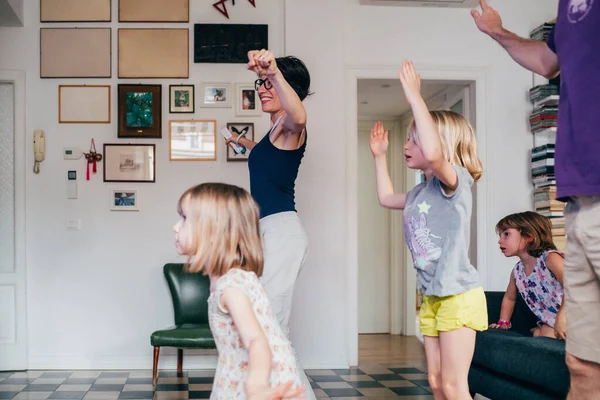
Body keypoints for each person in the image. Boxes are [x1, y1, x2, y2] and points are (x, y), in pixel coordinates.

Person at [471, 1, 600, 397]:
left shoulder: (549, 260)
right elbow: (547, 61)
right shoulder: (570, 8)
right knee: (582, 365)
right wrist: (496, 30)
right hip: (578, 198)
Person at [370, 60, 487, 399]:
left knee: (453, 384)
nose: (407, 146)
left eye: (415, 139)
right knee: (436, 383)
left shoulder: (455, 183)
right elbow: (385, 198)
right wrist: (379, 157)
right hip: (433, 297)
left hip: (459, 296)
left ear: (440, 145)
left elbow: (436, 155)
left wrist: (414, 97)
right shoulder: (420, 192)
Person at [224, 50, 314, 398]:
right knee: (266, 326)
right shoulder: (274, 130)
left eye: (270, 83)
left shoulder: (292, 127)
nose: (262, 88)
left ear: (288, 87)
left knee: (271, 328)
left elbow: (301, 115)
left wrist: (274, 70)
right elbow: (263, 155)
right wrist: (240, 141)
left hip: (282, 233)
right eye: (260, 82)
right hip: (268, 233)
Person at [173, 182, 306, 400]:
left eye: (185, 218)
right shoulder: (226, 278)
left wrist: (257, 387)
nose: (176, 227)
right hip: (238, 369)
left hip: (259, 380)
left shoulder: (231, 286)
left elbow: (256, 340)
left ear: (213, 231)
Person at [492, 211, 566, 340]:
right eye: (500, 236)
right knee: (542, 333)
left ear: (529, 237)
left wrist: (562, 317)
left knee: (547, 334)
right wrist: (503, 323)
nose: (500, 241)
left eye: (506, 234)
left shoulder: (551, 258)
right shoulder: (517, 271)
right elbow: (510, 298)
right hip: (552, 321)